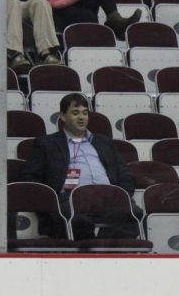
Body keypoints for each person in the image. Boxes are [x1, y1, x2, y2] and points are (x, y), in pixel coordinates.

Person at [20, 92, 140, 239]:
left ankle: (105, 247)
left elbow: (125, 174)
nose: (82, 117)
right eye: (75, 113)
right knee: (79, 220)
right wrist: (51, 200)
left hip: (108, 197)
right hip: (72, 198)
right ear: (63, 116)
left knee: (135, 213)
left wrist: (123, 195)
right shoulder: (47, 144)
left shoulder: (104, 142)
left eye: (85, 113)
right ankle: (88, 251)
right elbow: (30, 177)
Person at [40, 0, 141, 37]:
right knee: (87, 17)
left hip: (77, 0)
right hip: (58, 10)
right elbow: (45, 2)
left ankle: (114, 20)